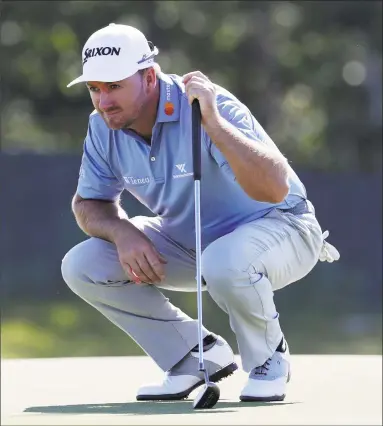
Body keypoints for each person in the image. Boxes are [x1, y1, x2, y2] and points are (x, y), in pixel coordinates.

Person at [61, 23, 340, 402]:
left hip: (283, 228)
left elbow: (274, 189)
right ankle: (193, 356)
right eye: (95, 89)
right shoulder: (102, 127)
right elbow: (88, 203)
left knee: (224, 261)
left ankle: (268, 360)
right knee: (83, 264)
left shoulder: (209, 106)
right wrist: (122, 232)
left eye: (114, 87)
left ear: (148, 77)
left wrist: (214, 124)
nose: (103, 101)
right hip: (191, 241)